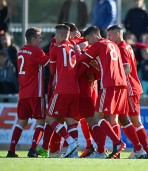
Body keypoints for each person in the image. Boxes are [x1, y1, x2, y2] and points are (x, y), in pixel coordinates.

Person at [75, 26, 144, 159]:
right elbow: (112, 64)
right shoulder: (113, 45)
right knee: (115, 119)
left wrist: (78, 50)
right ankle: (136, 149)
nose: (88, 41)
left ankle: (116, 144)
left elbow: (81, 60)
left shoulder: (98, 45)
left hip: (109, 85)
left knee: (97, 117)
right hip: (121, 84)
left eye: (88, 38)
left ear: (94, 36)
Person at [107, 25, 148, 159]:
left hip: (130, 89)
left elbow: (126, 68)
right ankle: (139, 149)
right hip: (130, 88)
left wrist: (114, 74)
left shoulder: (121, 48)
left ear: (117, 34)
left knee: (135, 121)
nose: (108, 38)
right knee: (122, 118)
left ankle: (145, 151)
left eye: (109, 35)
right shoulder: (127, 46)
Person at [6, 27, 49, 158]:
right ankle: (33, 149)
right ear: (32, 39)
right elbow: (49, 61)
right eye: (39, 38)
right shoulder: (36, 51)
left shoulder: (20, 52)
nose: (41, 40)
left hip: (23, 93)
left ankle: (11, 150)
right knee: (41, 121)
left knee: (21, 122)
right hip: (36, 93)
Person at [39, 24, 80, 158]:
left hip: (62, 89)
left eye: (56, 35)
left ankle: (70, 142)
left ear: (61, 35)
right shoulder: (75, 47)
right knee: (70, 120)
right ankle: (73, 153)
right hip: (75, 89)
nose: (54, 38)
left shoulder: (56, 49)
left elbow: (51, 71)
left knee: (50, 118)